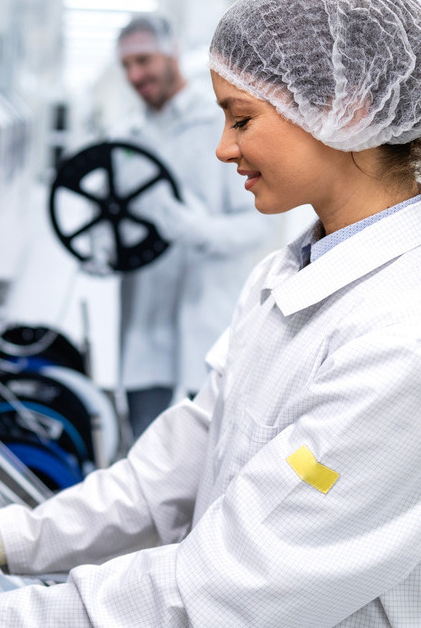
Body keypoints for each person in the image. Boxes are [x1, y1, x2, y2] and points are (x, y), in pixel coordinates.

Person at [0, 0, 421, 625]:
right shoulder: (289, 274)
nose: (223, 148)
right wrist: (21, 535)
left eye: (241, 119)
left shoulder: (416, 340)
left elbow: (233, 585)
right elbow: (194, 451)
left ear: (351, 111)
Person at [94, 14, 273, 437]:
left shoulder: (224, 123)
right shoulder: (127, 136)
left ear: (172, 51)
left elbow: (259, 226)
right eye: (126, 66)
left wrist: (200, 231)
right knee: (143, 442)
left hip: (207, 311)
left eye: (144, 60)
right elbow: (107, 209)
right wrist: (100, 246)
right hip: (144, 314)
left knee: (207, 445)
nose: (135, 75)